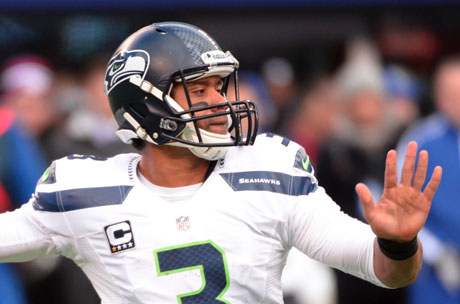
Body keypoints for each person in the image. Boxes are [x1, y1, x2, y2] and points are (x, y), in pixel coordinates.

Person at [0, 21, 442, 303]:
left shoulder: (270, 168)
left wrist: (397, 243)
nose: (219, 101)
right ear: (144, 105)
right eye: (199, 89)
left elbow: (386, 272)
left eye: (219, 86)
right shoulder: (84, 191)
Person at [396, 56, 460, 304]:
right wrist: (438, 252)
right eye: (451, 93)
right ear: (438, 97)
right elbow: (400, 207)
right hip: (437, 277)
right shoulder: (420, 140)